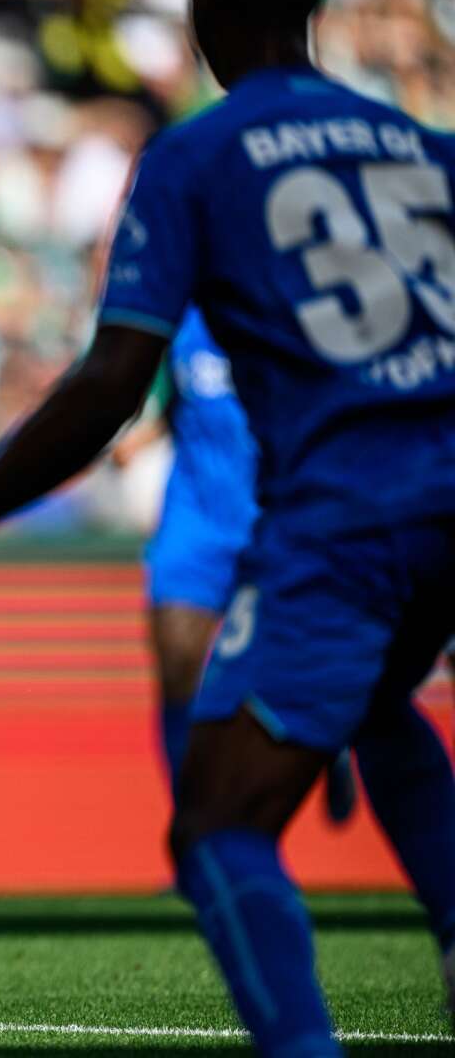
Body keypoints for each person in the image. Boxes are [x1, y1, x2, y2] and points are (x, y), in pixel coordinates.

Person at [0, 0, 455, 1051]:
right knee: (377, 698)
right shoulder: (420, 144)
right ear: (311, 7)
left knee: (218, 828)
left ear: (208, 19)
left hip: (349, 511)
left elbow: (110, 383)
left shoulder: (197, 156)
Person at [114, 309, 357, 822]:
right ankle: (193, 819)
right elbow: (175, 397)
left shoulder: (290, 307)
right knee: (177, 660)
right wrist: (142, 437)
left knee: (290, 664)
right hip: (196, 520)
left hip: (276, 515)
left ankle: (330, 741)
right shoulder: (180, 317)